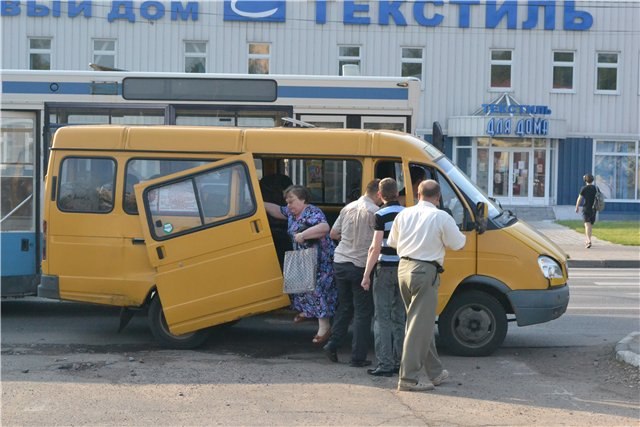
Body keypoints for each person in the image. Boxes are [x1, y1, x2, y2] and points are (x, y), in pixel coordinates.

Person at [387, 179, 466, 392]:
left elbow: (392, 242)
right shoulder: (441, 216)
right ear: (438, 197)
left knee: (420, 323)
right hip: (425, 271)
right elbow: (458, 244)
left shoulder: (403, 214)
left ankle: (435, 372)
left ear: (418, 194)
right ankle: (408, 379)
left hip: (403, 268)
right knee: (417, 327)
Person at [264, 185, 337, 345]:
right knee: (301, 285)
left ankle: (324, 328)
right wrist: (259, 203)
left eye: (292, 202)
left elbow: (324, 227)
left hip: (320, 261)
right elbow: (277, 210)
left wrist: (304, 235)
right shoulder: (291, 212)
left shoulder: (312, 212)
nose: (289, 205)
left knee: (317, 290)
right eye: (287, 202)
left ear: (303, 200)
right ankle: (308, 312)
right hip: (304, 259)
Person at [323, 179, 381, 367]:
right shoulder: (375, 213)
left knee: (345, 306)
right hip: (360, 265)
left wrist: (348, 239)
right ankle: (358, 356)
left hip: (340, 261)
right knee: (363, 312)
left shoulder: (347, 208)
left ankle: (333, 344)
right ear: (378, 194)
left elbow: (333, 234)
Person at [361, 178, 406, 377]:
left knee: (382, 318)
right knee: (399, 317)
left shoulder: (380, 215)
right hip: (404, 269)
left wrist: (366, 274)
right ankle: (400, 361)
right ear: (397, 192)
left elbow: (375, 247)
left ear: (380, 195)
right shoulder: (407, 214)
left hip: (385, 269)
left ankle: (385, 363)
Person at [575, 173, 597, 248]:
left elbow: (579, 198)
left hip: (586, 208)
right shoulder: (596, 188)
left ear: (585, 180)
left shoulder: (584, 188)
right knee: (590, 225)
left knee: (587, 225)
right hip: (594, 209)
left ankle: (588, 241)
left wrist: (577, 206)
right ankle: (589, 239)